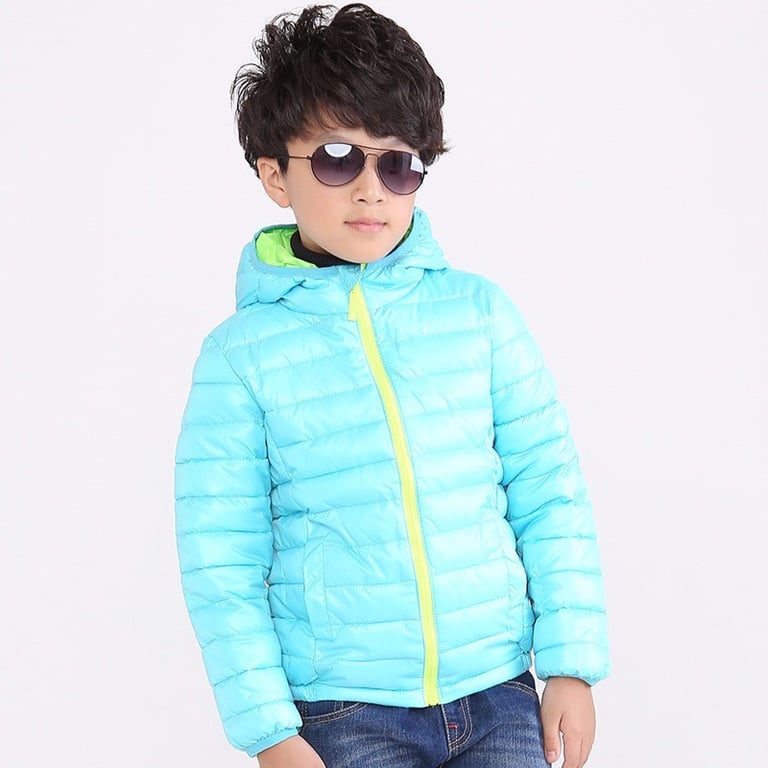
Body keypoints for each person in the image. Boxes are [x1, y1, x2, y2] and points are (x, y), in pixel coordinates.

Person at [174, 4, 609, 767]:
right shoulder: (240, 357)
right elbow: (221, 558)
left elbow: (549, 490)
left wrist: (570, 662)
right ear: (275, 174)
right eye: (339, 158)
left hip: (499, 689)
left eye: (398, 163)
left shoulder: (479, 314)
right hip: (342, 711)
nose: (372, 190)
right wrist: (269, 730)